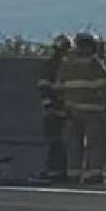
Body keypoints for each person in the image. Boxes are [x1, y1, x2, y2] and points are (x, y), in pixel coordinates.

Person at [55, 32, 106, 183]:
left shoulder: (67, 63)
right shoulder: (94, 63)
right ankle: (94, 174)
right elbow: (105, 87)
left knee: (74, 144)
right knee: (95, 144)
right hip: (93, 110)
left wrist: (66, 105)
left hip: (72, 111)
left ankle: (73, 174)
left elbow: (58, 87)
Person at [37, 34, 72, 180]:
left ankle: (56, 171)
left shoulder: (52, 65)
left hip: (59, 110)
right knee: (58, 142)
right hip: (59, 110)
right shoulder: (61, 65)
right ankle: (57, 171)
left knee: (57, 142)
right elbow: (44, 87)